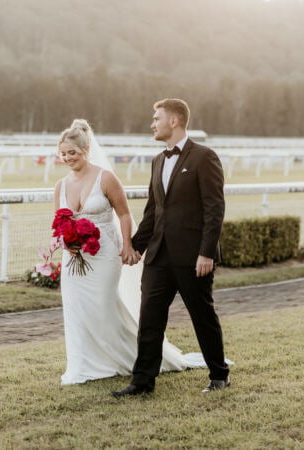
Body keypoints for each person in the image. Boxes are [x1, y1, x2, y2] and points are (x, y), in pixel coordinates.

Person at [54, 118, 206, 385]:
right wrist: (67, 242)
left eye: (73, 153)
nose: (68, 158)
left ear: (86, 150)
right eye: (63, 154)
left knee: (104, 305)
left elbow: (124, 214)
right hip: (74, 258)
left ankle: (131, 357)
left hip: (104, 256)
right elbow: (59, 220)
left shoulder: (106, 178)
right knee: (77, 309)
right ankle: (84, 363)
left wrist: (127, 244)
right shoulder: (61, 185)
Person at [112, 98, 230, 397]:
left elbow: (214, 210)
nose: (152, 123)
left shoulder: (205, 157)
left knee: (202, 316)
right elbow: (154, 211)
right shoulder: (157, 161)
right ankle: (142, 382)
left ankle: (219, 375)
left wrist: (206, 252)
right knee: (149, 319)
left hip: (193, 257)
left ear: (174, 121)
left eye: (156, 118)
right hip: (158, 256)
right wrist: (135, 246)